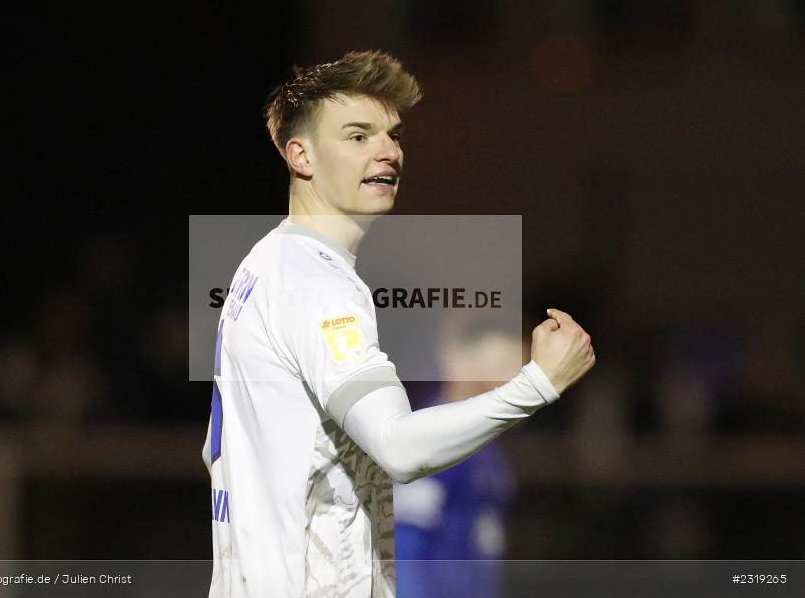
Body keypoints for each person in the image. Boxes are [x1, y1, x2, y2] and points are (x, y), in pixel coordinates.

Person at [203, 50, 595, 598]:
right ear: (301, 155)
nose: (387, 150)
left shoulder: (264, 265)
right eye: (358, 136)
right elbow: (399, 446)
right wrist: (537, 384)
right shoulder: (314, 282)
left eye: (392, 135)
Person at [393, 313, 525, 597]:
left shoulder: (486, 444)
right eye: (500, 364)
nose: (511, 380)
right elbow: (405, 546)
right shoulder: (434, 439)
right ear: (459, 359)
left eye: (519, 369)